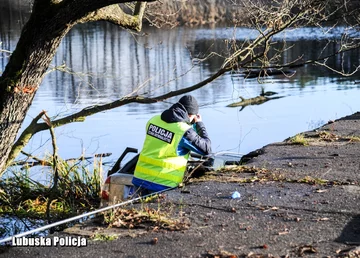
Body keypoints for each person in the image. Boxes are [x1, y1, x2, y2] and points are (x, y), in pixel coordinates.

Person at [132, 95, 212, 194]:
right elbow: (206, 149)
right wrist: (199, 124)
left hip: (140, 178)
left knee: (138, 207)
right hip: (162, 184)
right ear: (191, 115)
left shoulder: (153, 120)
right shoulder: (183, 131)